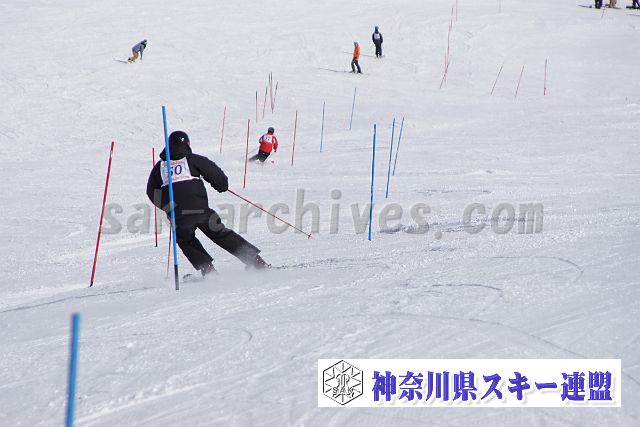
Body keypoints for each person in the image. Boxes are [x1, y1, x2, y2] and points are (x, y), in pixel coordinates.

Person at [147, 130, 270, 276]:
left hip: (179, 215)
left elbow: (151, 192)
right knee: (221, 234)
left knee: (185, 239)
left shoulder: (159, 167)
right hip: (202, 211)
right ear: (187, 144)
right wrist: (221, 186)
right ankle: (256, 261)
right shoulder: (194, 160)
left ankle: (208, 270)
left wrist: (168, 208)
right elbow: (217, 176)